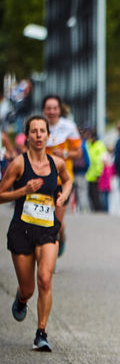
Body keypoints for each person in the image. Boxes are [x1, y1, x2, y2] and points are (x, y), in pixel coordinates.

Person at [0, 115, 72, 350]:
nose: (39, 135)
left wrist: (63, 195)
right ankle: (21, 300)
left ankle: (41, 332)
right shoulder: (19, 164)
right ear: (28, 136)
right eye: (34, 131)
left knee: (44, 279)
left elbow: (67, 181)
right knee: (28, 288)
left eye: (43, 131)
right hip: (22, 230)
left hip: (47, 229)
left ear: (48, 135)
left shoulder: (56, 163)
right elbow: (1, 195)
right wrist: (23, 190)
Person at [42, 95, 81, 257]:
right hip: (42, 179)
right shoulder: (38, 126)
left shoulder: (69, 127)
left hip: (62, 181)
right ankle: (48, 252)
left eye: (55, 108)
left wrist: (65, 153)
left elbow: (78, 153)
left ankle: (60, 240)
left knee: (57, 222)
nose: (51, 111)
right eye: (48, 108)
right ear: (44, 110)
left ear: (60, 110)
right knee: (44, 220)